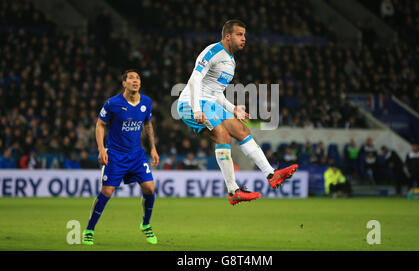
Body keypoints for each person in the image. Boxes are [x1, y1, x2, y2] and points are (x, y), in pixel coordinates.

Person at [177, 19, 298, 205]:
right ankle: (233, 190)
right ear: (227, 36)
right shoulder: (213, 52)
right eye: (239, 35)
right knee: (223, 136)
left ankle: (271, 175)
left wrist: (232, 108)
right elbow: (194, 80)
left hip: (210, 102)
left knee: (242, 131)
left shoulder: (231, 61)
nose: (244, 39)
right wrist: (197, 109)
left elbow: (215, 92)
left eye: (244, 35)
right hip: (190, 103)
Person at [82, 69, 160, 246]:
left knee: (149, 188)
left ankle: (145, 224)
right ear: (124, 83)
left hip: (137, 155)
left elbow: (148, 124)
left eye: (138, 78)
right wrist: (102, 149)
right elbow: (100, 124)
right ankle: (89, 229)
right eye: (131, 78)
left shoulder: (146, 102)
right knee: (107, 192)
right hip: (116, 154)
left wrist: (153, 148)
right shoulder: (113, 103)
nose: (135, 81)